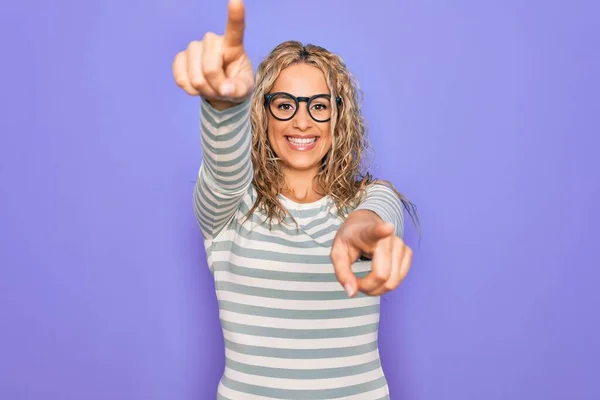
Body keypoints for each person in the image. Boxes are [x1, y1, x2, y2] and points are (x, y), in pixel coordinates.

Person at [172, 0, 417, 398]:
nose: (301, 121)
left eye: (319, 106)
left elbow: (379, 216)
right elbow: (224, 172)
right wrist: (224, 107)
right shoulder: (229, 209)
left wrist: (362, 231)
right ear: (262, 113)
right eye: (285, 105)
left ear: (340, 118)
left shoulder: (369, 198)